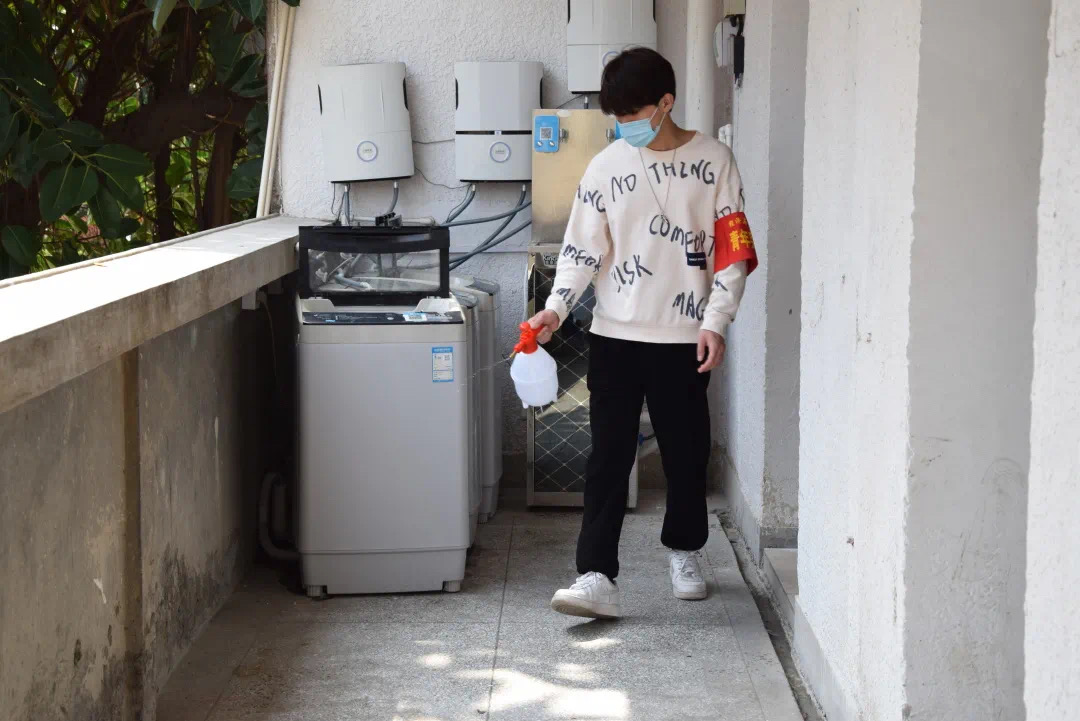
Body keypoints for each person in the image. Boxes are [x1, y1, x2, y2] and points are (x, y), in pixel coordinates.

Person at [529, 47, 758, 619]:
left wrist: (716, 321)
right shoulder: (606, 166)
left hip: (684, 336)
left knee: (686, 453)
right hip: (614, 335)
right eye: (617, 117)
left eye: (632, 114)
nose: (624, 126)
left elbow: (732, 252)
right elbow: (581, 250)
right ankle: (595, 575)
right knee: (607, 458)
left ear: (665, 103)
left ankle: (685, 550)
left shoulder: (715, 160)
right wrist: (554, 309)